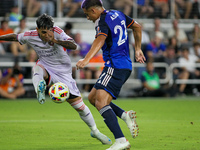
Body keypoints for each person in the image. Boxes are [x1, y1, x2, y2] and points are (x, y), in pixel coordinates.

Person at [0, 13, 111, 145]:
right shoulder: (31, 35)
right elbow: (15, 37)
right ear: (37, 30)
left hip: (63, 72)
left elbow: (74, 45)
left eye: (49, 32)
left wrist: (56, 41)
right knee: (37, 67)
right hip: (46, 66)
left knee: (80, 107)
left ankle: (95, 131)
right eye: (43, 33)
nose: (47, 35)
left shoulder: (58, 32)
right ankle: (39, 89)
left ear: (52, 29)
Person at [76, 0, 146, 149]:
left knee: (101, 102)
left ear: (94, 11)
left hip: (115, 65)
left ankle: (121, 140)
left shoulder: (102, 21)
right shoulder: (117, 13)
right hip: (123, 64)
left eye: (87, 14)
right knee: (93, 98)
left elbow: (100, 39)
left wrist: (86, 59)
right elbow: (137, 27)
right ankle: (124, 115)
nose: (87, 18)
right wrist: (138, 49)